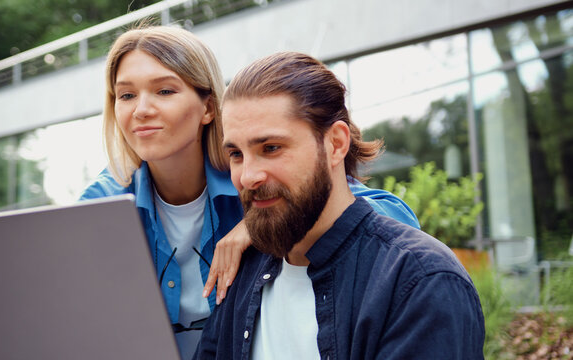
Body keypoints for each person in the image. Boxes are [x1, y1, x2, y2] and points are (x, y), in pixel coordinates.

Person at [79, 26, 419, 359]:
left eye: (164, 91)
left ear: (209, 108)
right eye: (126, 95)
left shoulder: (254, 179)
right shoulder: (101, 204)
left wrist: (250, 225)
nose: (141, 110)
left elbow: (390, 221)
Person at [195, 52, 485, 359]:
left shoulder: (420, 281)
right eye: (236, 155)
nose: (248, 177)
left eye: (271, 148)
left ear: (335, 144)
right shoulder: (241, 275)